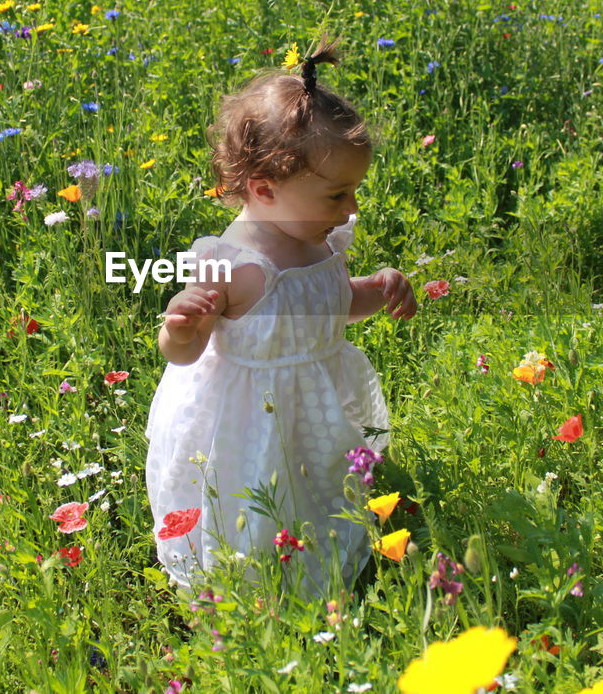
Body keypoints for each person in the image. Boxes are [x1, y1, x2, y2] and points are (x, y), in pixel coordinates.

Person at [145, 40, 418, 595]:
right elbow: (184, 353)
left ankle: (321, 554)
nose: (351, 210)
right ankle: (249, 582)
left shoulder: (316, 240)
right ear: (263, 189)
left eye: (353, 193)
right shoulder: (237, 267)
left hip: (309, 407)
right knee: (254, 497)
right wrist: (179, 326)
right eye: (338, 195)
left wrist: (378, 288)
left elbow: (332, 303)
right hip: (244, 419)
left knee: (316, 485)